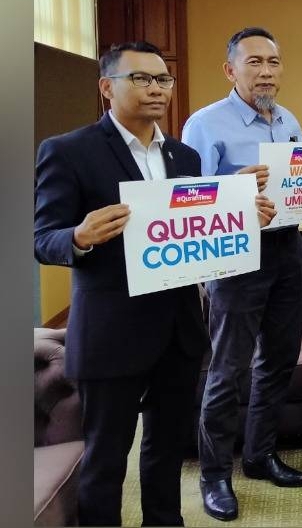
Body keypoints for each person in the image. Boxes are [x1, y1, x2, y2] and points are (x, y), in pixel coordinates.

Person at [33, 41, 271, 525]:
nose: (156, 89)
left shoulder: (184, 156)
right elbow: (42, 238)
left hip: (177, 331)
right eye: (140, 79)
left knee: (166, 451)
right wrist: (78, 237)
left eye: (163, 79)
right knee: (106, 458)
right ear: (107, 87)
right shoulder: (69, 150)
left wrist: (243, 220)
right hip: (111, 332)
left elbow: (196, 229)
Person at [182, 27, 302, 522]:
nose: (265, 72)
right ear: (230, 69)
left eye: (273, 62)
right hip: (236, 253)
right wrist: (232, 186)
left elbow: (300, 183)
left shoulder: (289, 120)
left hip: (287, 248)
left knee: (278, 360)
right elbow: (185, 198)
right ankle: (216, 475)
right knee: (228, 369)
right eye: (254, 62)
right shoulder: (204, 124)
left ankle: (259, 455)